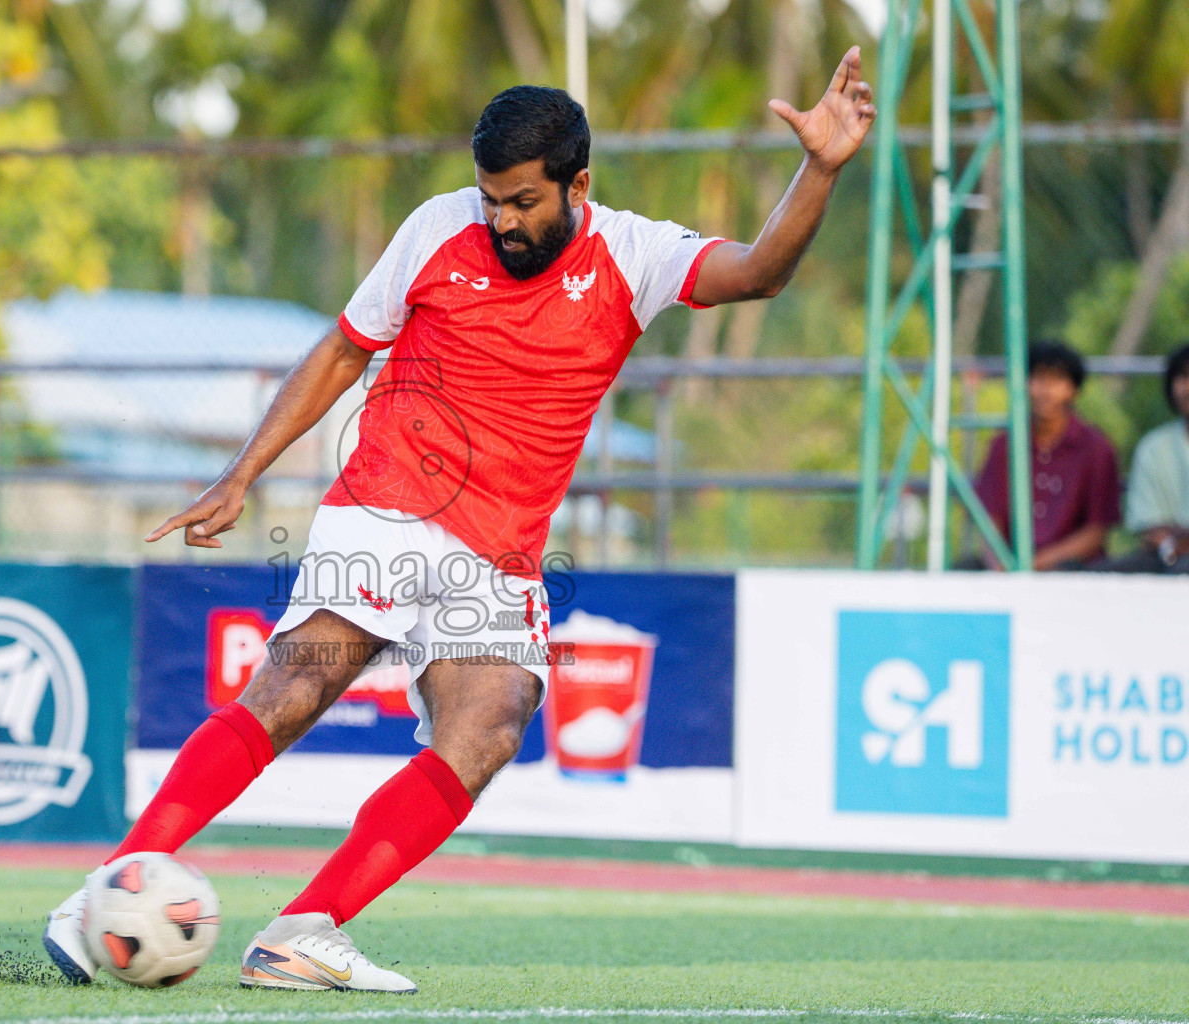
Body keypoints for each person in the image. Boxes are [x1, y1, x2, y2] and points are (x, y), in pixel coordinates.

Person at [43, 50, 877, 993]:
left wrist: (820, 169)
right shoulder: (438, 228)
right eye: (490, 199)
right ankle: (104, 891)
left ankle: (302, 934)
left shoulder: (634, 254)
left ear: (578, 186)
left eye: (523, 201)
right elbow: (343, 350)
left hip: (501, 550)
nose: (501, 220)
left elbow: (757, 273)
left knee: (488, 727)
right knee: (299, 684)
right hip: (391, 501)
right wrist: (242, 475)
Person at [967, 340, 1121, 571]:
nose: (1046, 389)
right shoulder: (1004, 445)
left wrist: (1034, 566)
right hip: (1008, 566)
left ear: (1073, 389)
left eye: (1057, 380)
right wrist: (999, 564)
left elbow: (1096, 532)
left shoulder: (1096, 448)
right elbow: (990, 521)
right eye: (1038, 378)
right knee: (961, 571)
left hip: (1071, 569)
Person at [1102, 344, 1189, 573]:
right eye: (1182, 377)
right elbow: (1151, 531)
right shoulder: (1153, 446)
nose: (1187, 387)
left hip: (1175, 555)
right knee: (1101, 573)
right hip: (1165, 557)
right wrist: (1175, 544)